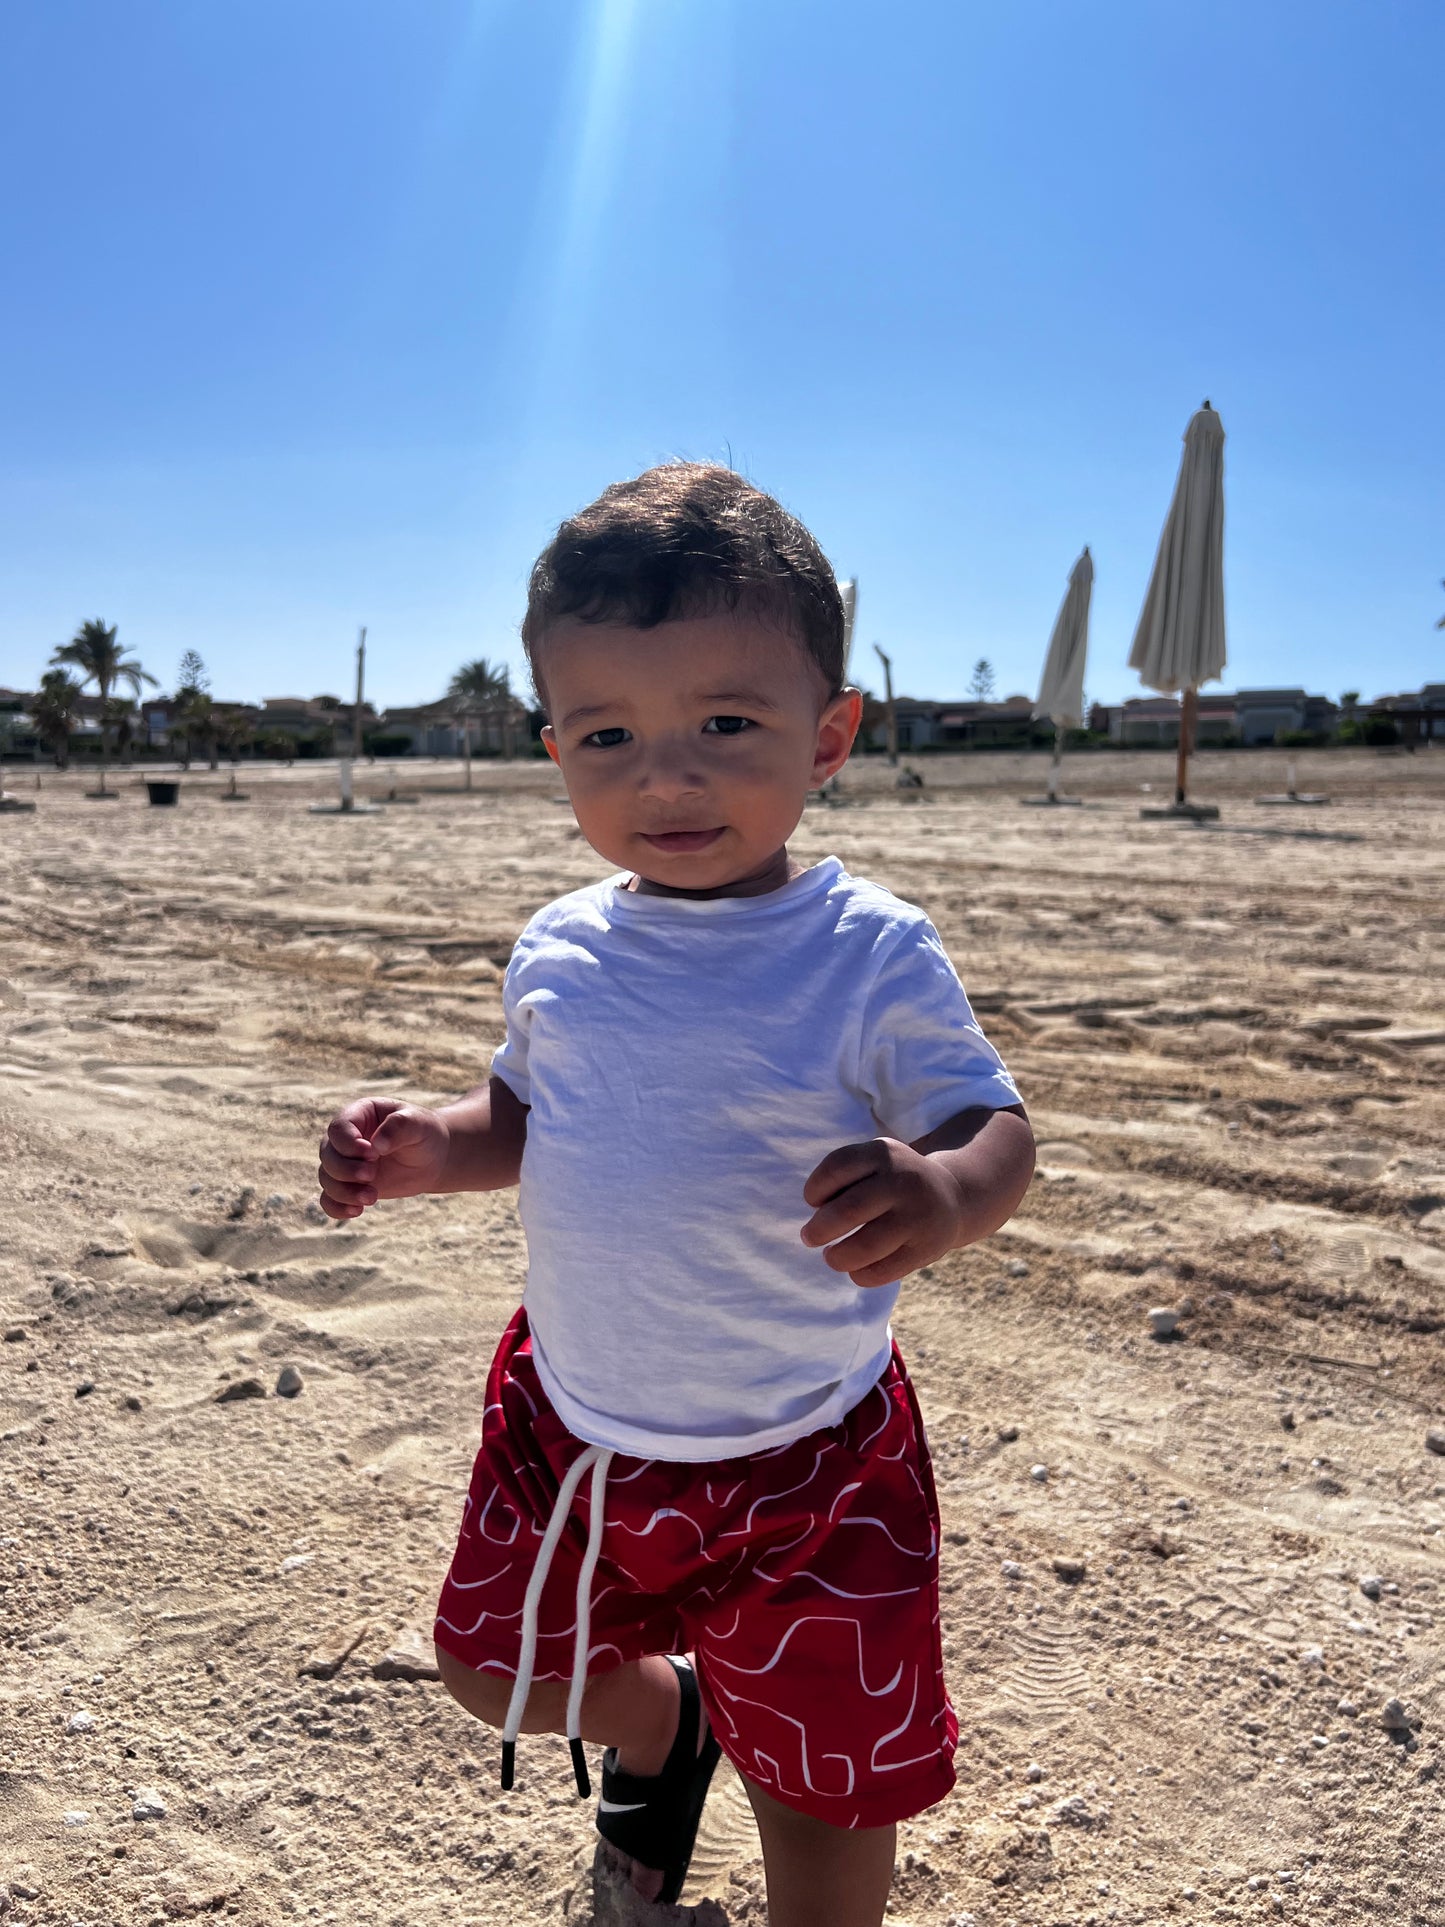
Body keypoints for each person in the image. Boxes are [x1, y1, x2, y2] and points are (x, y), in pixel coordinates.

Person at [316, 464, 1035, 1927]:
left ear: (828, 736)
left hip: (808, 1461)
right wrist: (432, 1146)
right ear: (555, 750)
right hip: (575, 1428)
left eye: (725, 724)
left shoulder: (867, 949)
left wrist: (950, 1192)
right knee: (496, 1670)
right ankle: (666, 1723)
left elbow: (992, 1124)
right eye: (609, 736)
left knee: (823, 1789)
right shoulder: (560, 947)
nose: (665, 777)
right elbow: (526, 1117)